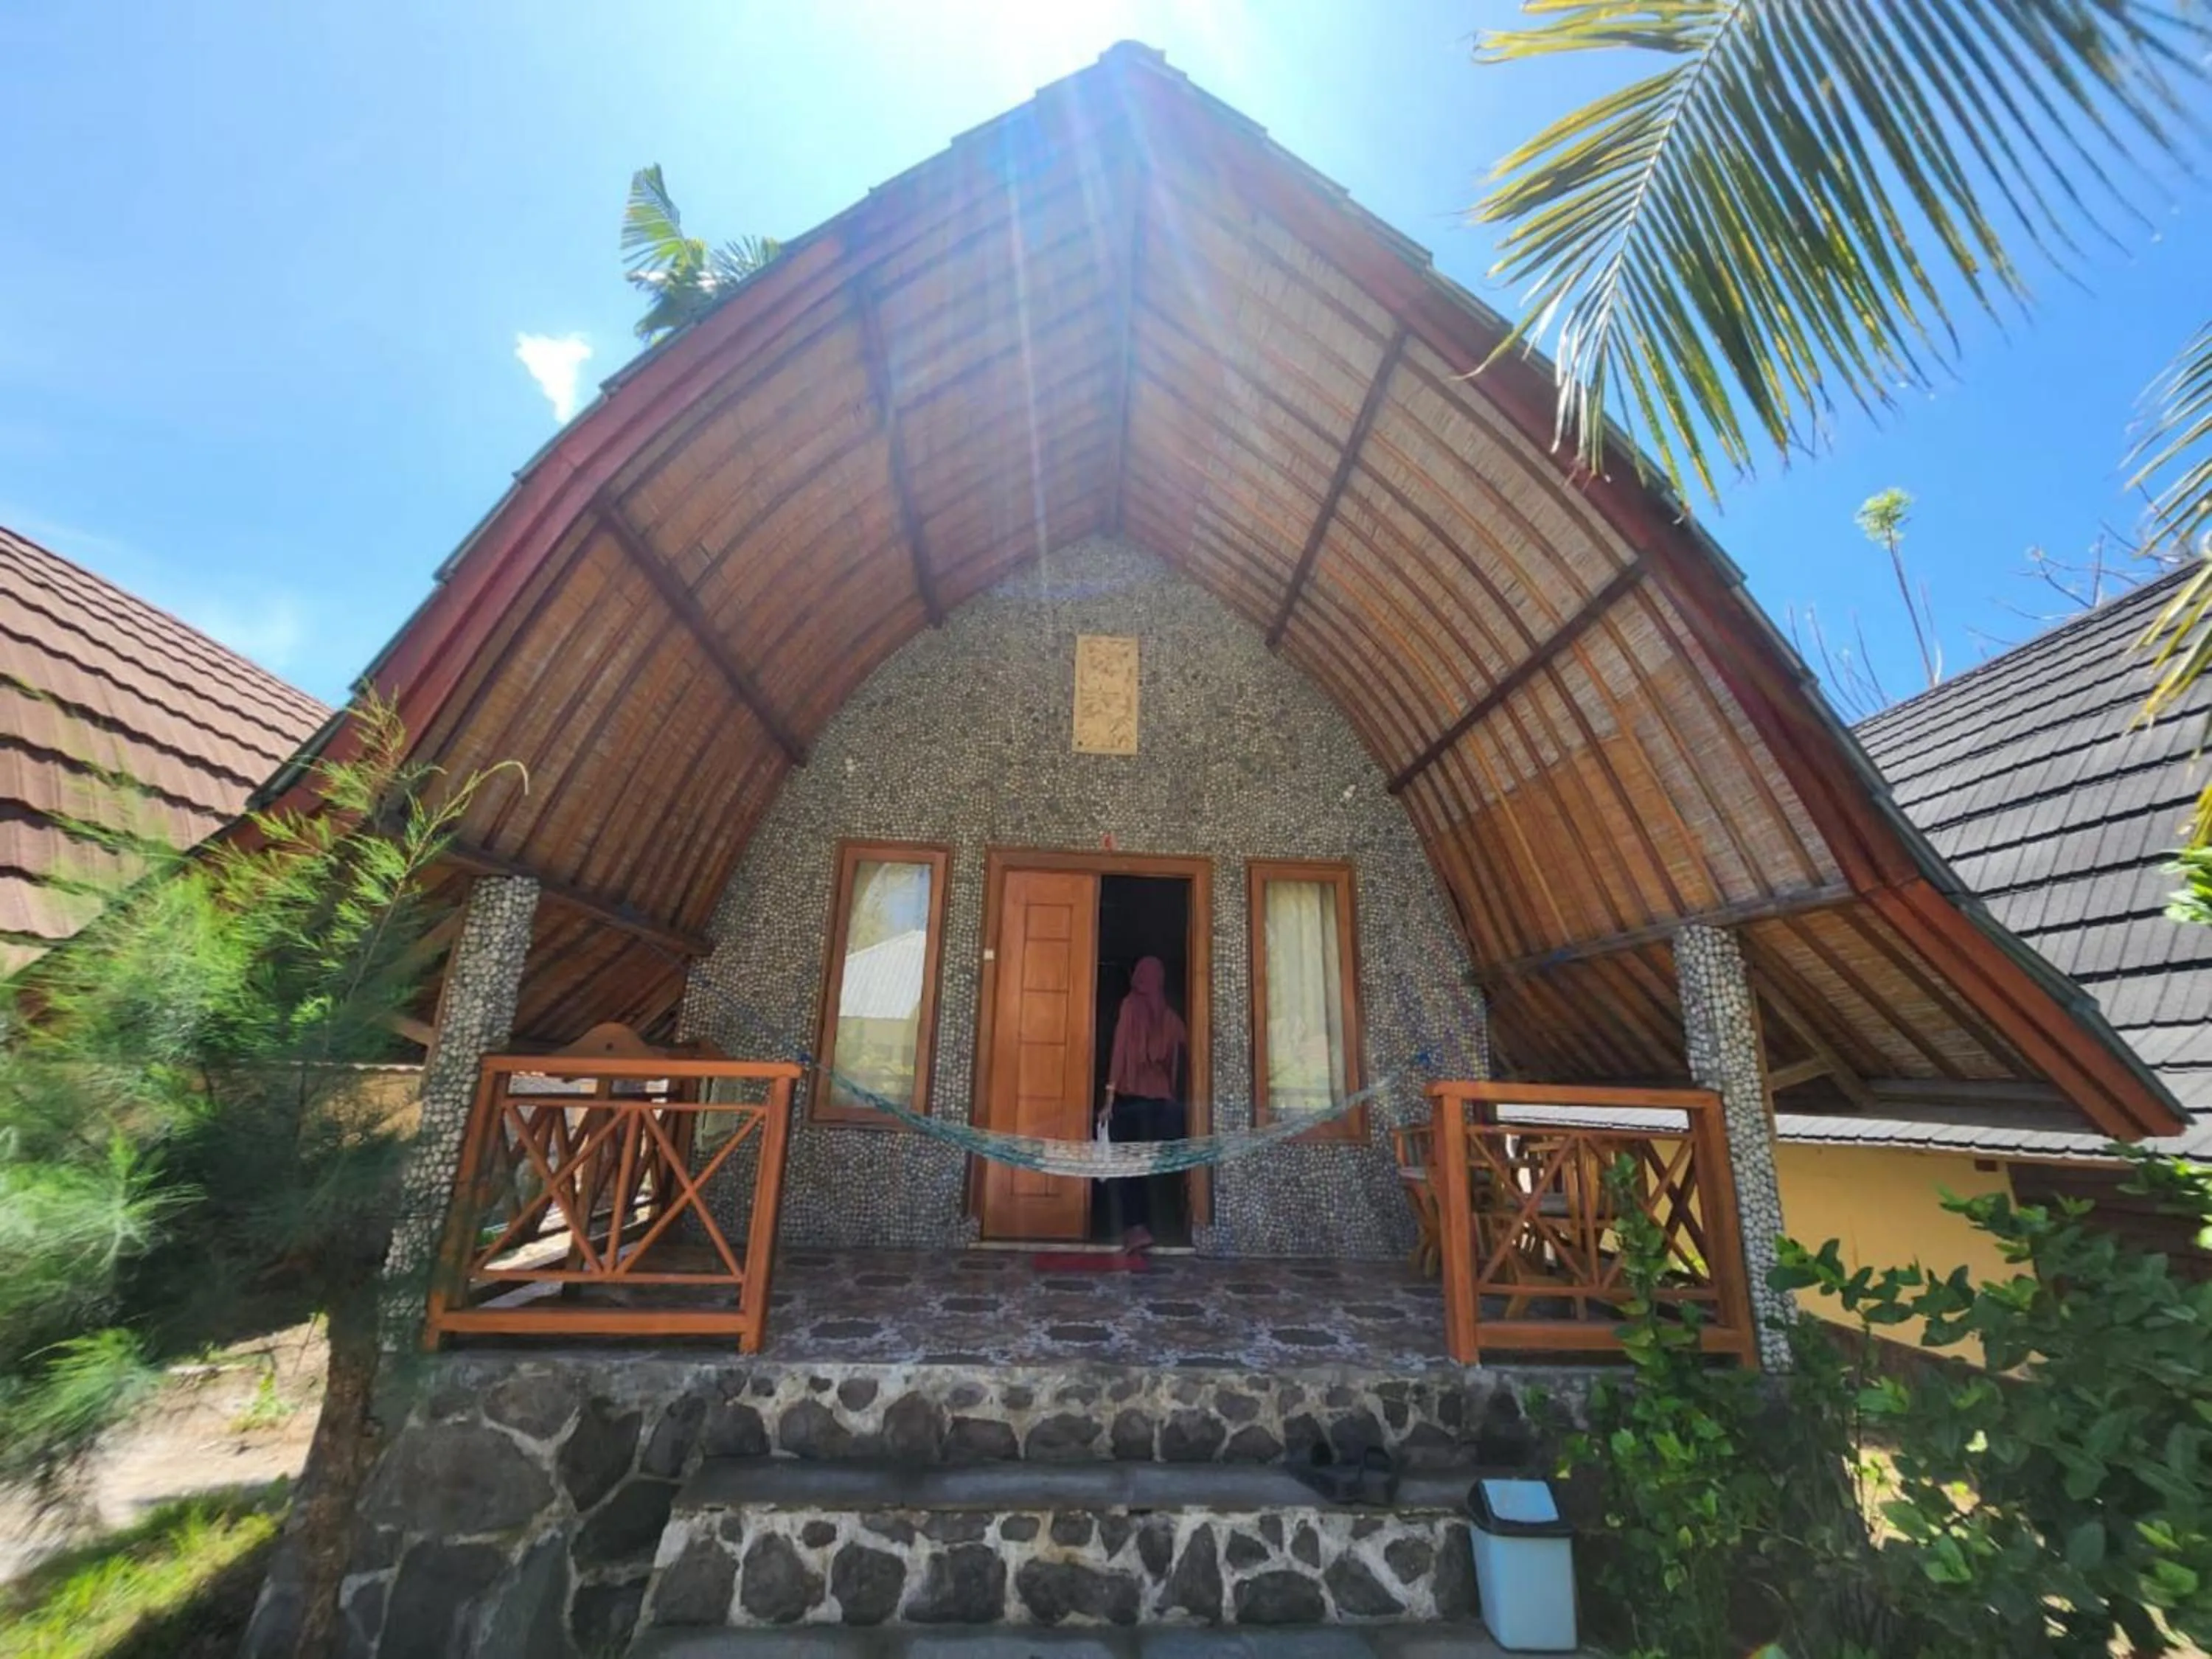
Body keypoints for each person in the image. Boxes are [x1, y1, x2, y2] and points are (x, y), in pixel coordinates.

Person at [1098, 955, 1187, 1252]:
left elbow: (1120, 1052)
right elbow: (1178, 1062)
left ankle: (1136, 1229)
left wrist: (1109, 1098)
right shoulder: (1171, 1017)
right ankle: (1159, 1226)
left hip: (1130, 1100)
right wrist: (1172, 1095)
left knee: (1129, 1167)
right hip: (1162, 1104)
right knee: (1153, 1167)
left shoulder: (1130, 1006)